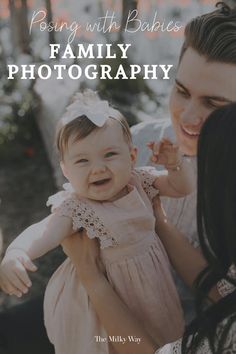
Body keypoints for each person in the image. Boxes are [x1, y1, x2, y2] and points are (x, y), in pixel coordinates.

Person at [0, 90, 194, 354]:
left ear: (132, 156)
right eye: (82, 160)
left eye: (110, 154)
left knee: (164, 335)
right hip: (112, 299)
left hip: (154, 288)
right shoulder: (78, 208)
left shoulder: (140, 181)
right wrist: (17, 251)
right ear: (66, 170)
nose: (98, 167)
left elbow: (180, 187)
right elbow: (44, 231)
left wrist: (174, 166)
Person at [61, 102, 236, 354]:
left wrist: (90, 274)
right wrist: (159, 222)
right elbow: (222, 290)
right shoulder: (140, 161)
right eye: (183, 92)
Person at [131, 0, 236, 322]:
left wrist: (157, 222)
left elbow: (228, 304)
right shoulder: (136, 142)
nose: (188, 117)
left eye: (213, 103)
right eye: (181, 90)